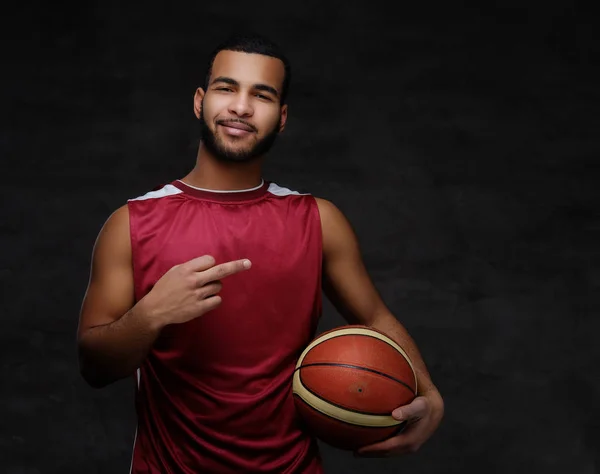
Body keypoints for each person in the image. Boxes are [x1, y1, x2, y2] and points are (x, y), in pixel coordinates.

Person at [77, 32, 444, 473]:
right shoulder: (131, 224)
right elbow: (94, 367)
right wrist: (151, 314)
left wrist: (429, 392)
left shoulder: (318, 219)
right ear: (200, 101)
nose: (241, 107)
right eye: (226, 88)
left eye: (262, 95)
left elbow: (375, 316)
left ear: (282, 117)